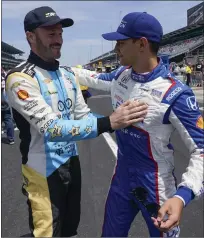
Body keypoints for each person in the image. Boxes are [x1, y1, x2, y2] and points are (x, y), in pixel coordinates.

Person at [5, 7, 148, 237]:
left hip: (71, 163)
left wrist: (125, 121)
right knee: (46, 232)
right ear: (31, 37)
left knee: (69, 230)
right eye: (51, 34)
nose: (58, 40)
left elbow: (87, 111)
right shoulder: (20, 78)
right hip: (42, 171)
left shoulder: (67, 74)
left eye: (60, 34)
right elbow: (51, 129)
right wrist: (110, 122)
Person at [73, 12, 204, 237]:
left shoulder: (175, 93)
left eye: (122, 42)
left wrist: (182, 196)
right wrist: (51, 67)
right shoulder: (121, 75)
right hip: (122, 178)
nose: (116, 48)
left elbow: (201, 150)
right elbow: (89, 77)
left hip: (157, 186)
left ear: (142, 44)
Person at [1, 68, 15, 144]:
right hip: (5, 98)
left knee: (7, 118)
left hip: (2, 97)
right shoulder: (5, 74)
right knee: (8, 119)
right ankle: (11, 139)